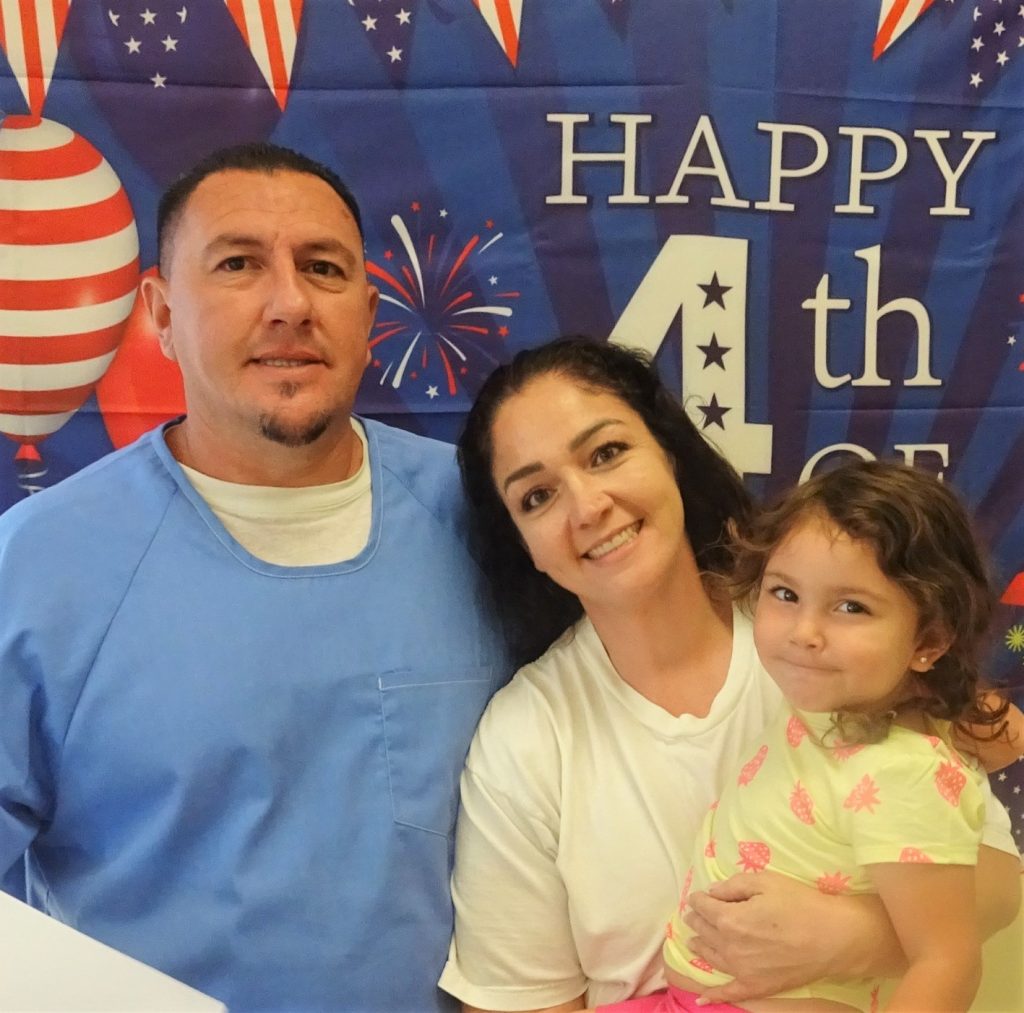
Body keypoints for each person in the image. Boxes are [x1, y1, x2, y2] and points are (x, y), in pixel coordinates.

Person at [0, 143, 508, 1012]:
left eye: (323, 268)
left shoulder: (494, 521)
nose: (290, 303)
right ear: (160, 312)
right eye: (238, 264)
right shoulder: (40, 564)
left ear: (371, 312)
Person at [439, 337, 1021, 1012]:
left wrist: (847, 936)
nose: (588, 505)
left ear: (670, 454)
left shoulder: (829, 651)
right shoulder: (525, 740)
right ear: (522, 542)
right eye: (537, 495)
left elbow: (997, 883)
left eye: (607, 453)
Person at [612, 459, 1005, 1012]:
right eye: (785, 594)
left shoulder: (904, 776)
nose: (805, 634)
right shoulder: (830, 701)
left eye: (852, 607)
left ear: (930, 639)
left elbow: (947, 961)